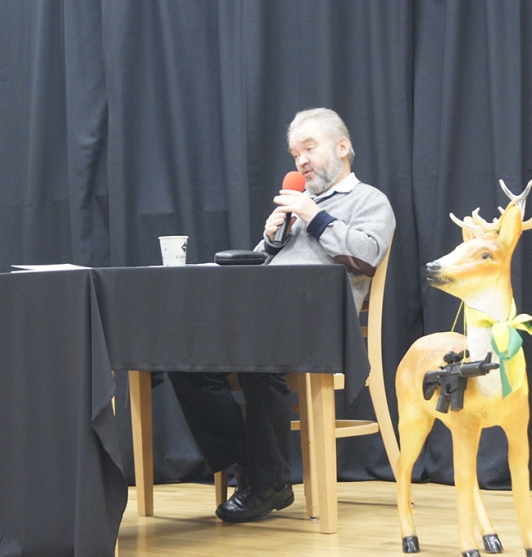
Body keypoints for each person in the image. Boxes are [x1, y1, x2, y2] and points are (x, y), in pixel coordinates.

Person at [168, 108, 395, 523]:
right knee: (183, 355)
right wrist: (270, 243)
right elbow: (257, 275)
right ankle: (252, 463)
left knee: (257, 354)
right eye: (295, 154)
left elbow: (366, 257)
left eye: (309, 148)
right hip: (265, 320)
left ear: (342, 147)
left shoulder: (368, 200)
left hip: (320, 327)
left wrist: (315, 217)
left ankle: (266, 481)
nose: (301, 161)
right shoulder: (298, 205)